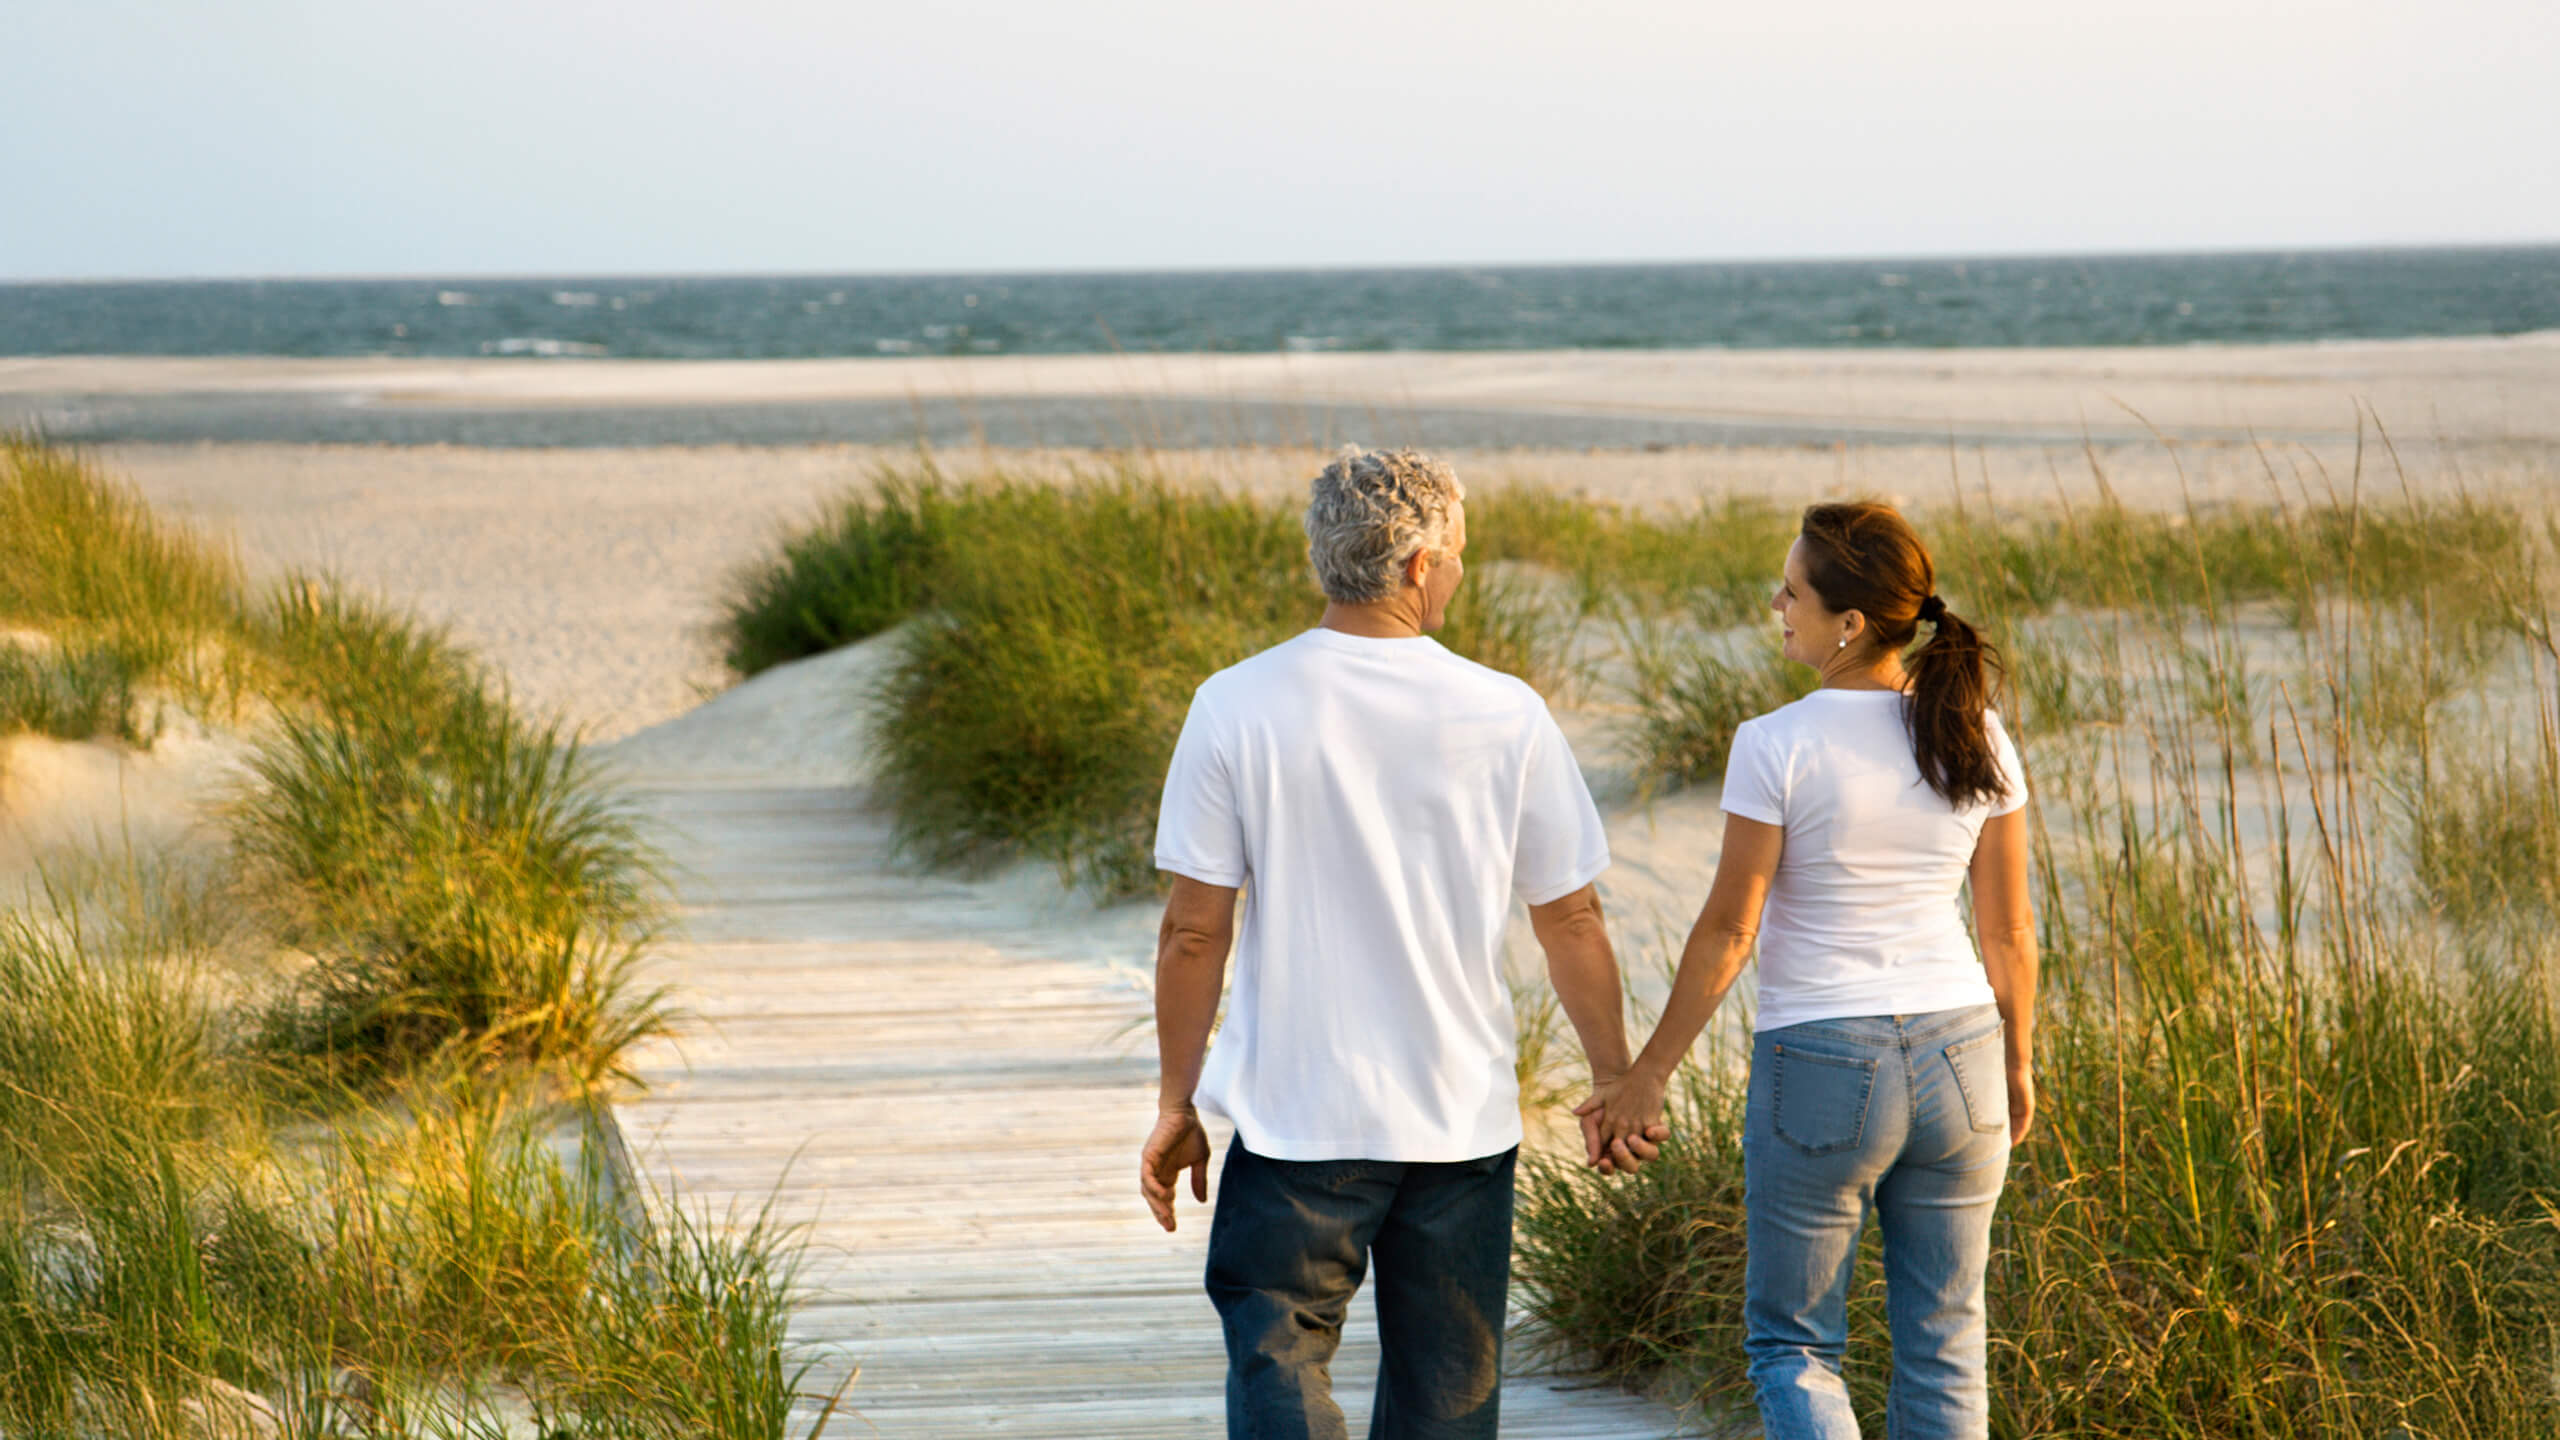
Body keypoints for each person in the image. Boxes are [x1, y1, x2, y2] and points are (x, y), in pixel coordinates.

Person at [1139, 447, 1662, 1440]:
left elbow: (1193, 931)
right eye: (1457, 555)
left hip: (1298, 1119)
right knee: (1447, 1389)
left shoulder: (1236, 702)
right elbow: (1572, 918)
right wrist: (1612, 1076)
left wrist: (1177, 1102)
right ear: (1420, 565)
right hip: (1456, 1118)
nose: (1458, 573)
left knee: (1277, 1347)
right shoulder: (1505, 711)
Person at [1581, 500, 2039, 1439]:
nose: (1777, 605)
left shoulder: (1776, 742)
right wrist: (2019, 1060)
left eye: (1792, 592)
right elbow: (2010, 930)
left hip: (1824, 1058)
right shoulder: (1978, 733)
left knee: (1794, 1346)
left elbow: (1729, 929)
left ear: (1850, 623)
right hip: (1963, 1052)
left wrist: (1646, 1076)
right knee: (1947, 1340)